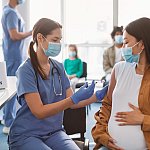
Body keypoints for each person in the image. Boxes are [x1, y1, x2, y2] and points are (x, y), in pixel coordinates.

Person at [7, 18, 109, 150]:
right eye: (55, 40)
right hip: (27, 134)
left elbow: (74, 103)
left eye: (60, 40)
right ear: (40, 38)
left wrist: (97, 96)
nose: (59, 44)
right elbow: (39, 111)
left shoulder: (59, 67)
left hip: (54, 132)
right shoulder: (25, 70)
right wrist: (73, 99)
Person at [92, 17, 150, 150]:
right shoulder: (119, 69)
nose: (122, 48)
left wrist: (142, 119)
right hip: (108, 146)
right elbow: (106, 106)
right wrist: (102, 137)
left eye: (126, 42)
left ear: (141, 45)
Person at [1, 0, 32, 134]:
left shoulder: (11, 12)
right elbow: (14, 35)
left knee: (13, 87)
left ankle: (8, 118)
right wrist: (31, 32)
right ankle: (9, 123)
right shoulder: (11, 13)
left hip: (15, 55)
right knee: (12, 90)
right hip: (13, 55)